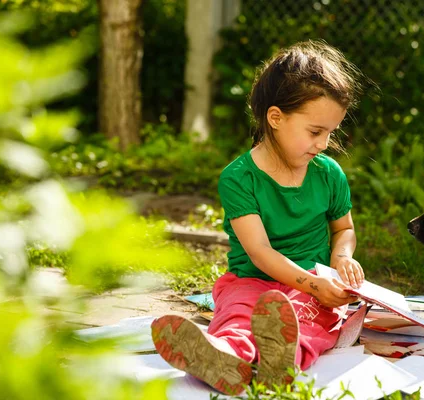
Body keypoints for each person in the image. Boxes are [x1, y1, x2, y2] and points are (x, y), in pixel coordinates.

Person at [152, 40, 365, 395]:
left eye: (331, 132)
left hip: (313, 285)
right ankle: (222, 356)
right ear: (276, 118)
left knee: (305, 322)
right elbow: (260, 253)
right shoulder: (239, 178)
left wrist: (341, 256)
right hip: (251, 280)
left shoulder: (328, 174)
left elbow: (343, 228)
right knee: (238, 316)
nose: (324, 143)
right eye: (316, 131)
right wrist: (313, 285)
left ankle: (277, 363)